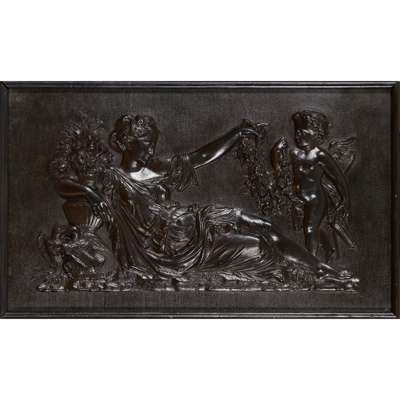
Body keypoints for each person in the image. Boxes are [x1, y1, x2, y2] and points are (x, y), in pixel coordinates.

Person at [55, 114, 353, 289]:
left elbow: (199, 157)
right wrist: (91, 193)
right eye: (144, 145)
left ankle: (320, 269)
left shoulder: (157, 167)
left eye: (153, 144)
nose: (150, 151)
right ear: (124, 143)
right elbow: (62, 184)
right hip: (174, 253)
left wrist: (236, 134)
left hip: (195, 220)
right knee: (260, 247)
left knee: (262, 224)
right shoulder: (111, 177)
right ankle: (316, 271)